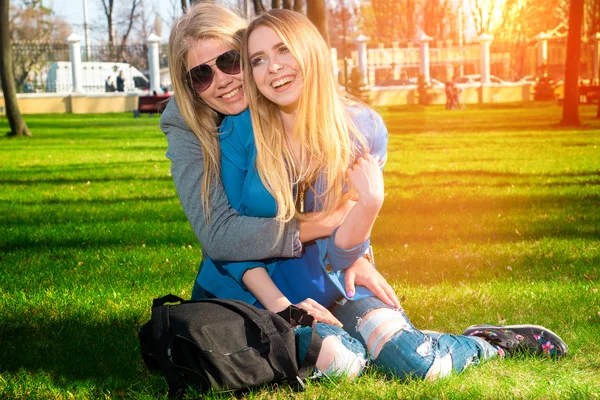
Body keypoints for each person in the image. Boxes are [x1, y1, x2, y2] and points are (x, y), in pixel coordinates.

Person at [162, 3, 567, 383]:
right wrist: (284, 304)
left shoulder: (362, 127)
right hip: (260, 292)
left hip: (329, 283)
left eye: (232, 61)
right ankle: (363, 346)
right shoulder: (233, 133)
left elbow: (344, 244)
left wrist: (364, 228)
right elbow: (224, 236)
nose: (223, 80)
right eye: (202, 74)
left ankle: (487, 344)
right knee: (347, 361)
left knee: (419, 364)